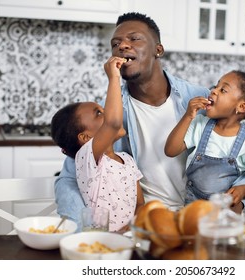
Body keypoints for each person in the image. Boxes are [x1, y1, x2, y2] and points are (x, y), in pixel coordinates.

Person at [54, 12, 209, 229]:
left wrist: (238, 204)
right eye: (115, 43)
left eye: (134, 38)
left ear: (158, 49)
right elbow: (69, 179)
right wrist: (80, 237)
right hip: (141, 227)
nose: (123, 46)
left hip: (197, 218)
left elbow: (236, 152)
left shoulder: (200, 101)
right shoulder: (107, 116)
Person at [51, 56, 145, 232]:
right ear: (85, 138)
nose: (108, 113)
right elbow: (113, 123)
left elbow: (140, 204)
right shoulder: (88, 160)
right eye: (99, 113)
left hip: (129, 240)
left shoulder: (127, 160)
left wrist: (128, 229)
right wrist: (114, 78)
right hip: (98, 244)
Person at [165, 70, 245, 213]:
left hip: (226, 215)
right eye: (215, 86)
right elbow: (170, 150)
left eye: (223, 90)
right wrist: (188, 116)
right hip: (193, 209)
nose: (213, 91)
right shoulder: (200, 124)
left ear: (241, 107)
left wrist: (243, 190)